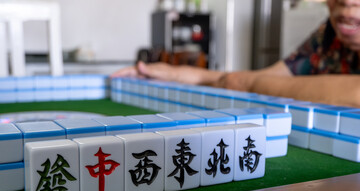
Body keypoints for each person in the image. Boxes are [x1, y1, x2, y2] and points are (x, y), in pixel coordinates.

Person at [111, 0, 360, 107]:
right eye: (339, 1)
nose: (347, 8)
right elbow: (261, 78)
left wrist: (243, 82)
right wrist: (174, 73)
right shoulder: (327, 36)